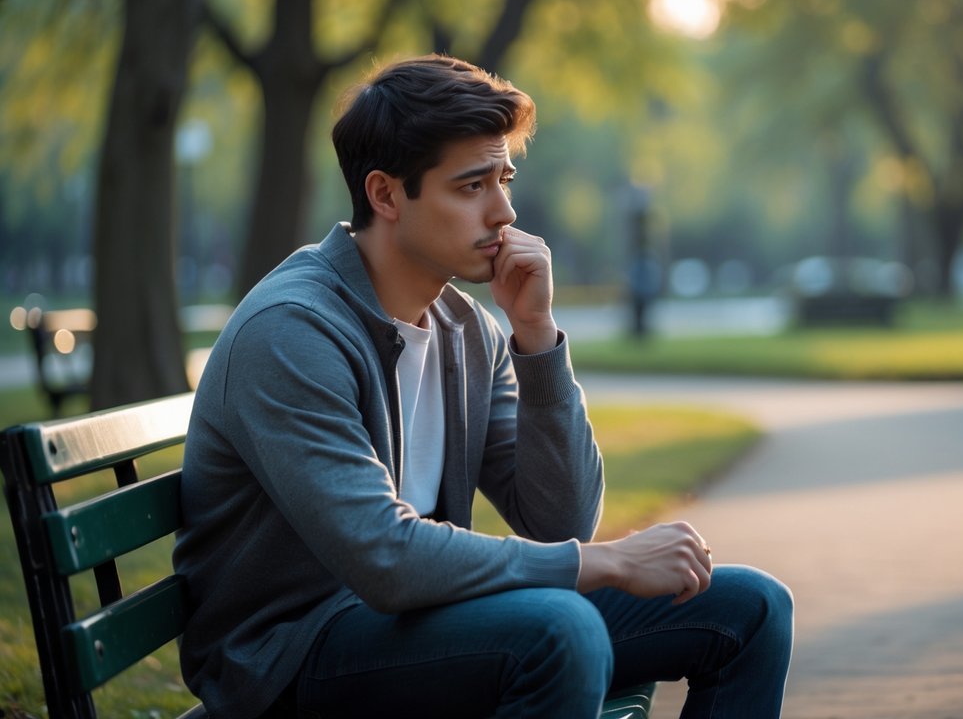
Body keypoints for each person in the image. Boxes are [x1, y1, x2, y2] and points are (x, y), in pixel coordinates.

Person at [172, 54, 793, 718]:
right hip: (291, 660)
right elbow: (384, 556)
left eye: (504, 178)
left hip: (417, 625)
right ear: (385, 195)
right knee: (561, 630)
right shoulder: (292, 331)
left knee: (750, 609)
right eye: (471, 187)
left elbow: (559, 517)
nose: (505, 212)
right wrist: (604, 563)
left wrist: (536, 337)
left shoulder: (464, 327)